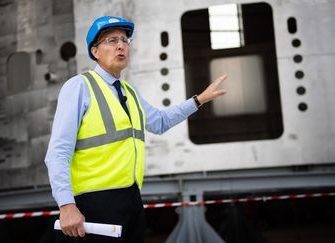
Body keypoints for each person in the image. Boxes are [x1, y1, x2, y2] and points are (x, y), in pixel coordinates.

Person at [44, 15, 227, 242]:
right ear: (95, 52)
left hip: (131, 199)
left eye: (124, 40)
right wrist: (66, 204)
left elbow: (159, 122)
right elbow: (57, 153)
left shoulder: (129, 92)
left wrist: (198, 100)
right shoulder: (79, 87)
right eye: (111, 40)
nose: (121, 45)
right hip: (94, 203)